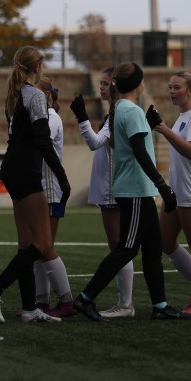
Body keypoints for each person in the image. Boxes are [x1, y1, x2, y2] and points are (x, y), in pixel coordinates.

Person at [72, 62, 188, 322]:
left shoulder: (120, 110)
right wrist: (162, 184)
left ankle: (160, 306)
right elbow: (140, 152)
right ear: (138, 84)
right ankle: (85, 298)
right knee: (126, 248)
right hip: (135, 189)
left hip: (137, 189)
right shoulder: (131, 111)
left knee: (152, 250)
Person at [0, 47, 70, 324]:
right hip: (26, 171)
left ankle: (30, 308)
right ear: (37, 67)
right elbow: (42, 140)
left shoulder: (18, 94)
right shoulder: (36, 96)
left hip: (14, 168)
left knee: (26, 243)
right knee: (42, 243)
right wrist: (61, 176)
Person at [69, 66, 135, 318]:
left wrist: (82, 118)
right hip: (111, 186)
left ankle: (126, 304)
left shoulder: (118, 112)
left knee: (119, 247)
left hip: (113, 188)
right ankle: (125, 302)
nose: (101, 87)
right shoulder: (114, 112)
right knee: (120, 246)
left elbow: (96, 143)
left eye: (106, 84)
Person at [149, 71, 191, 316]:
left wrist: (165, 131)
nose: (172, 92)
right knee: (165, 241)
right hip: (177, 189)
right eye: (170, 87)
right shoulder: (183, 116)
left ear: (190, 90)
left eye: (177, 87)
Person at [35, 77, 76, 317]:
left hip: (50, 188)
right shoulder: (43, 116)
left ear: (47, 95)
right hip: (40, 188)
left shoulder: (50, 118)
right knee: (38, 248)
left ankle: (66, 300)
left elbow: (40, 145)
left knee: (45, 246)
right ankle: (42, 302)